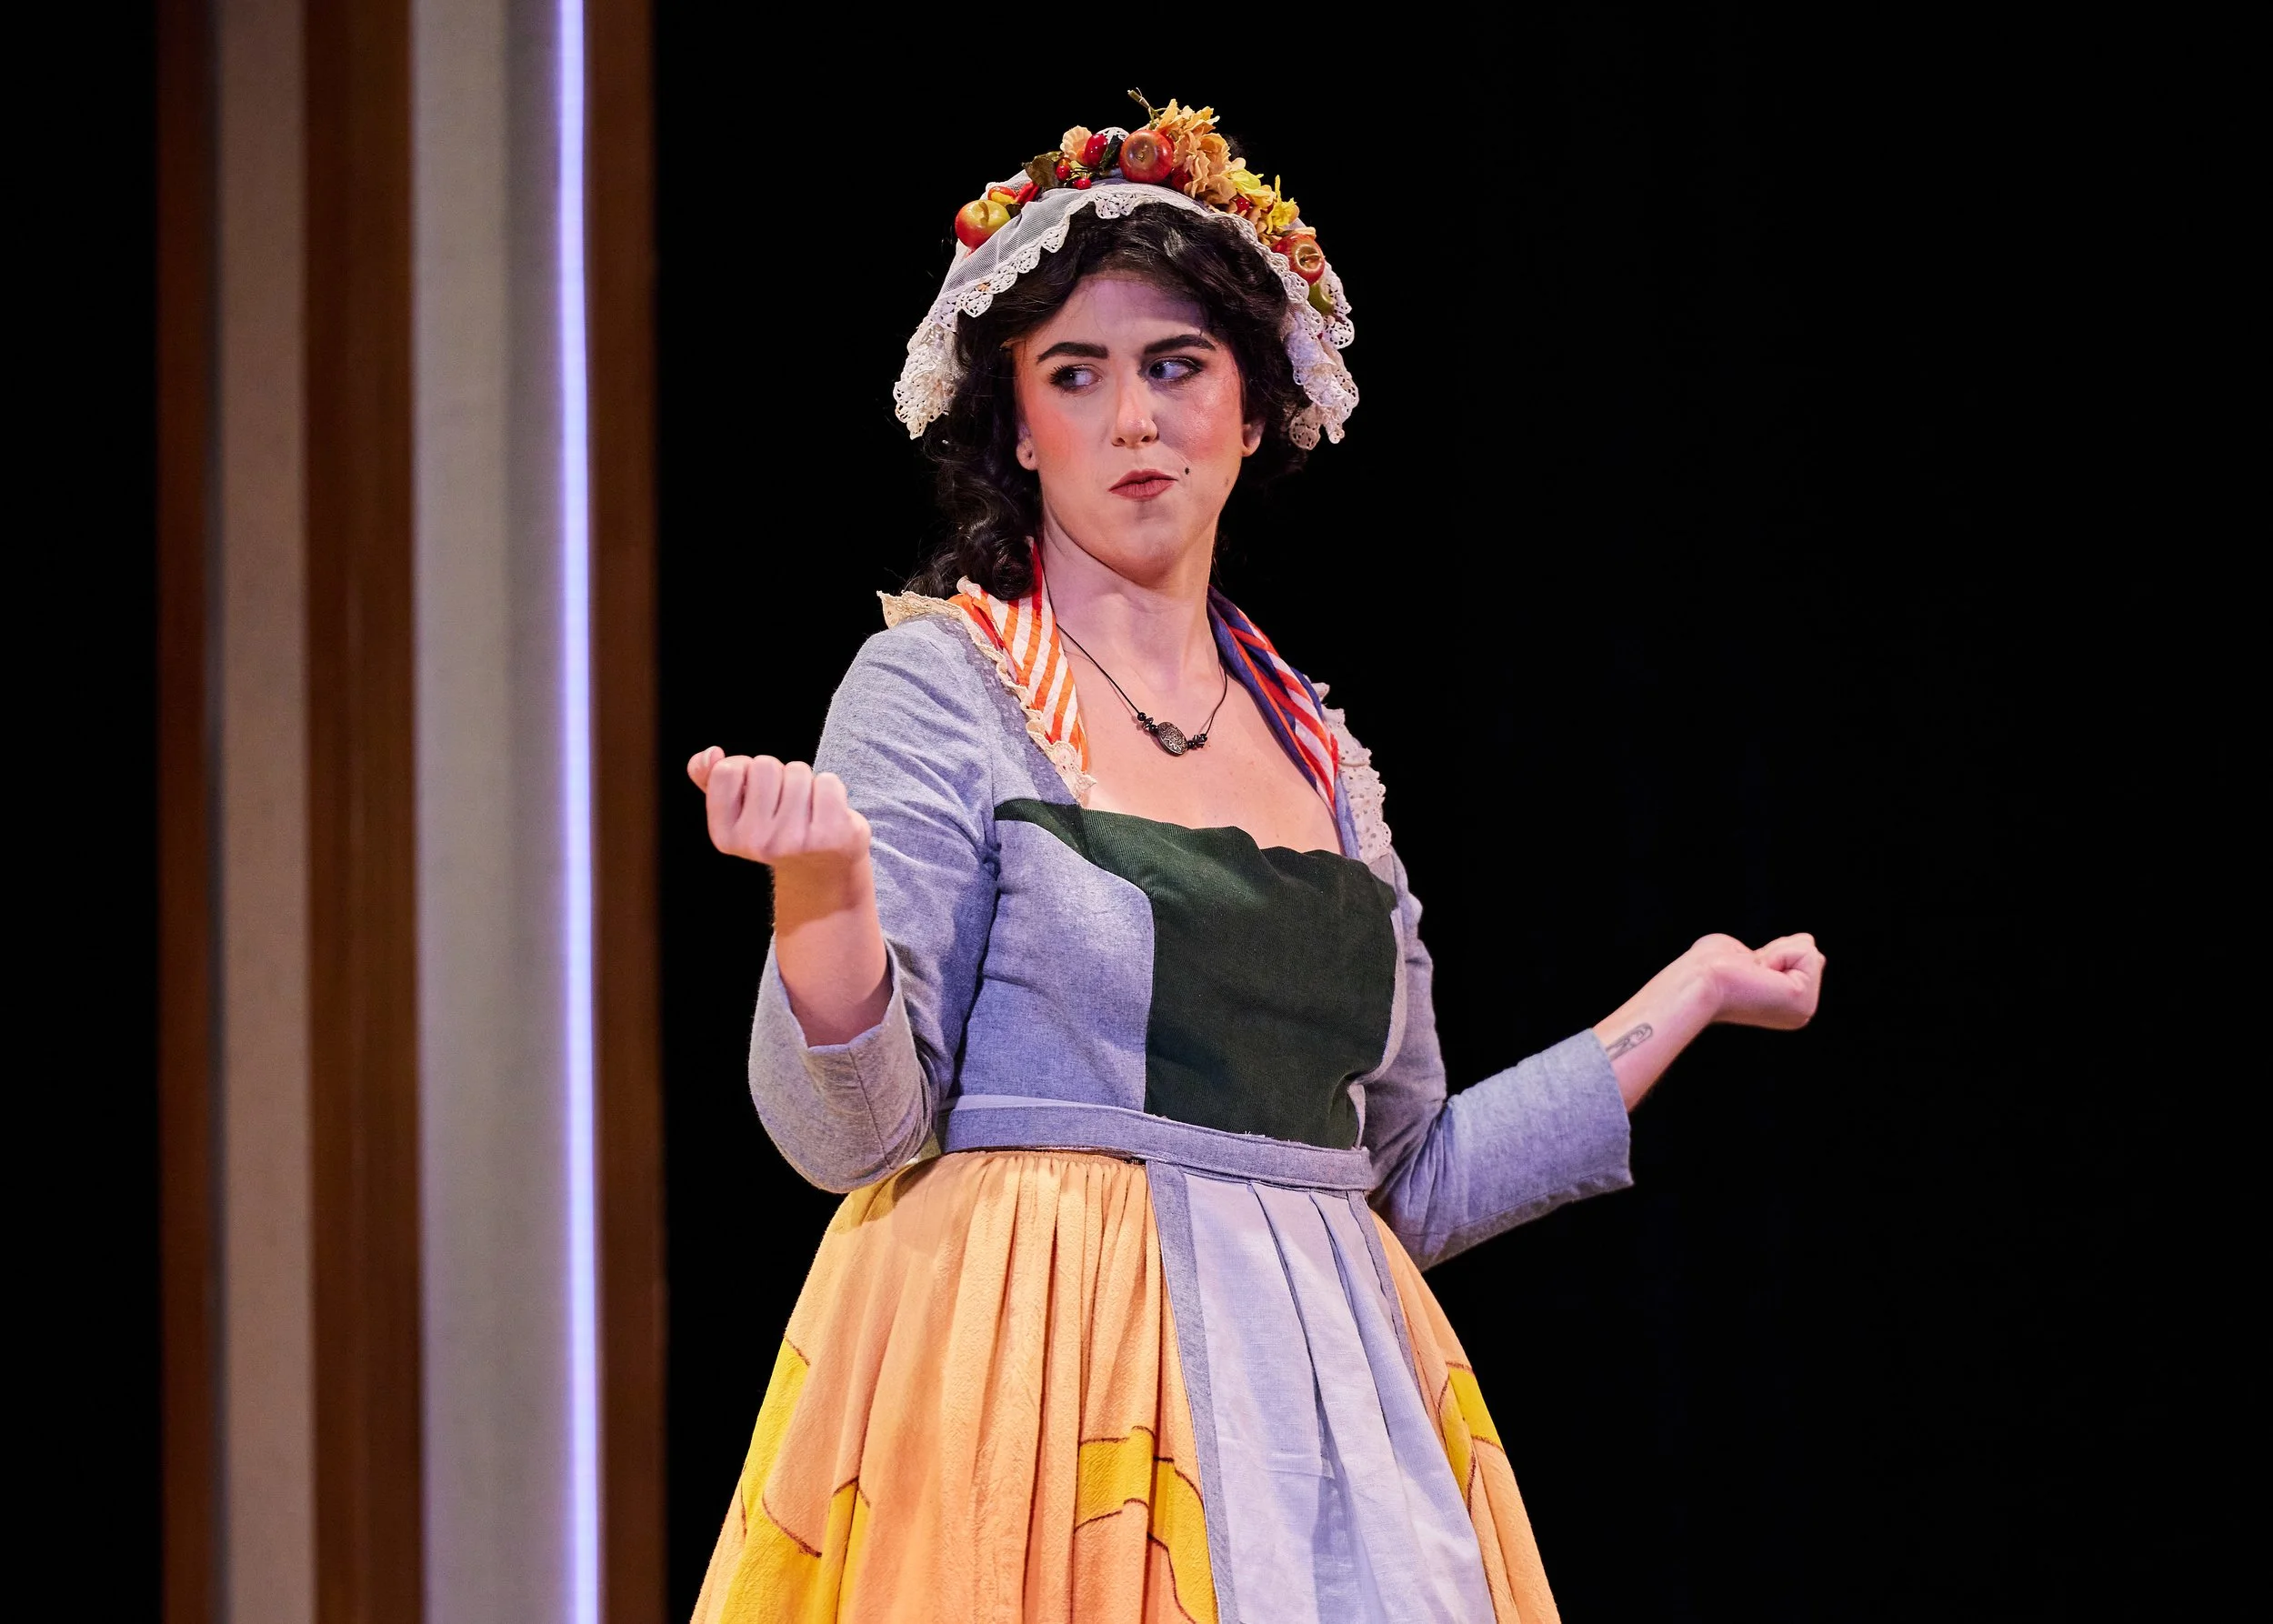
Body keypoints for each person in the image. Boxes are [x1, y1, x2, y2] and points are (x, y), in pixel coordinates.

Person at [686, 95, 1824, 1624]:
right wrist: (821, 897)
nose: (1133, 420)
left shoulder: (1325, 763)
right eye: (1075, 375)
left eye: (1177, 366)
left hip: (1324, 1436)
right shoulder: (941, 685)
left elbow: (1404, 1181)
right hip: (1042, 1402)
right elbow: (856, 1134)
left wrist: (1685, 995)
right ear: (1017, 424)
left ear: (1251, 407)